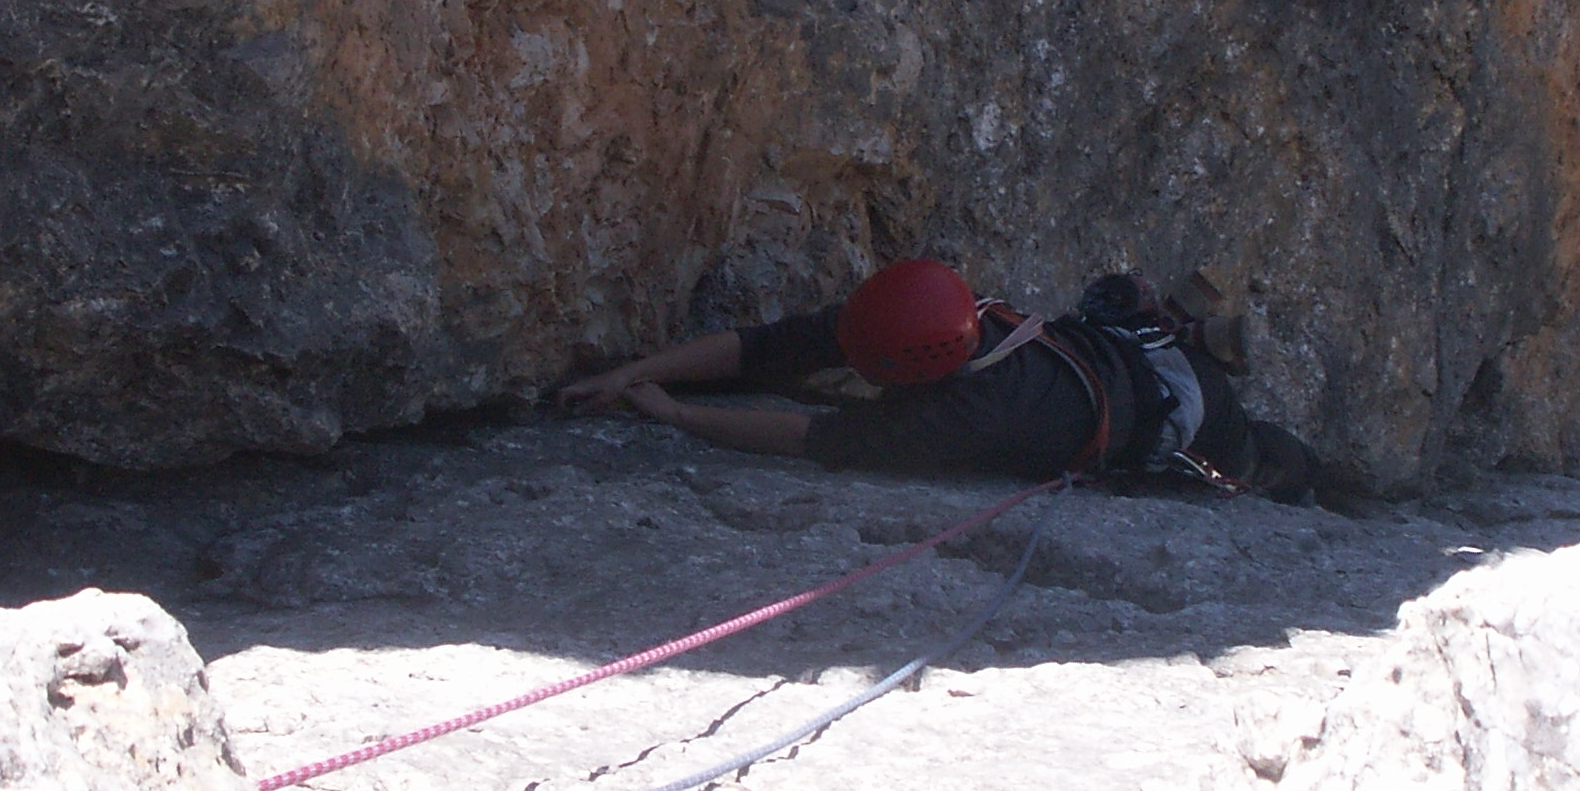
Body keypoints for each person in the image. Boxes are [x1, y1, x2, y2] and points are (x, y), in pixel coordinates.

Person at [559, 259, 1318, 500]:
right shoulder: (933, 312)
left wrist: (679, 417)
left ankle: (1309, 478)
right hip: (1126, 351)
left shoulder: (970, 414)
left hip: (1183, 406)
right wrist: (637, 370)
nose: (841, 347)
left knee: (1259, 464)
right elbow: (767, 348)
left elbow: (816, 437)